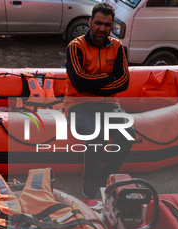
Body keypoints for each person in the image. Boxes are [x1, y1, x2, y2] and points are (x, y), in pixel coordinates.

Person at [65, 2, 133, 198]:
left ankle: (106, 176)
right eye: (98, 23)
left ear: (112, 26)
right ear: (90, 22)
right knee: (97, 134)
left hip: (109, 105)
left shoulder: (118, 47)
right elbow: (79, 83)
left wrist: (93, 86)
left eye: (107, 25)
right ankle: (90, 179)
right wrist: (107, 78)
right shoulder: (75, 46)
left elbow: (124, 82)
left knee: (128, 132)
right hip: (79, 105)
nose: (102, 28)